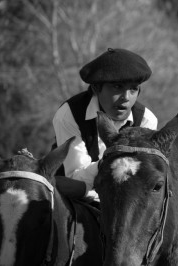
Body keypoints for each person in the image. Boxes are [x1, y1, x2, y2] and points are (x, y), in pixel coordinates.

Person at [53, 48, 158, 201]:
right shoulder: (68, 114)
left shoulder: (146, 120)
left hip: (126, 202)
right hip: (71, 202)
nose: (126, 98)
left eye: (133, 89)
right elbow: (76, 180)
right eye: (117, 87)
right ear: (96, 88)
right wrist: (112, 161)